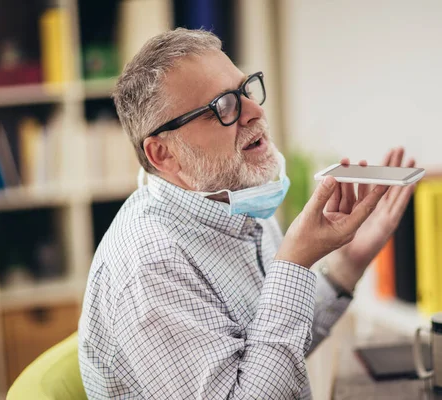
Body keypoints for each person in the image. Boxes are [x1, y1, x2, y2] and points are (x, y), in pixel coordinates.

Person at [78, 28, 415, 399]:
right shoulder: (149, 264)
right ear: (163, 154)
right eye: (223, 106)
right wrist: (294, 262)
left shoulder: (238, 198)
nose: (255, 112)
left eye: (246, 91)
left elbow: (271, 359)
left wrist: (347, 264)